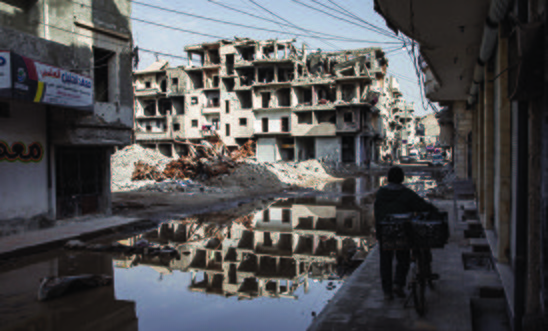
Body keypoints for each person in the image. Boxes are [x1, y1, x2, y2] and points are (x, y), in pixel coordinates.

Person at [374, 166, 438, 300]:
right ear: (402, 179)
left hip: (385, 232)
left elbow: (377, 214)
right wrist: (434, 210)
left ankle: (387, 291)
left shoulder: (380, 193)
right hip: (403, 232)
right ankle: (398, 284)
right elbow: (423, 206)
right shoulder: (407, 194)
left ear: (388, 178)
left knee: (385, 262)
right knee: (403, 258)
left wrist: (378, 232)